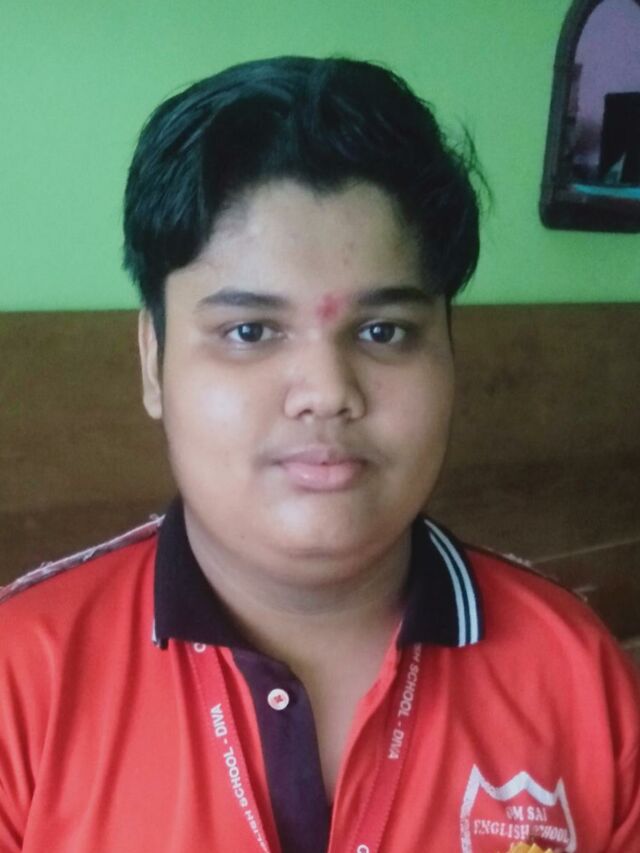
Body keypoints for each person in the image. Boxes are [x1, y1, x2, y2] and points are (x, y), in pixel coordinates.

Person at [0, 56, 638, 853]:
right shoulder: (20, 683)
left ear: (450, 352)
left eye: (384, 331)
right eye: (250, 331)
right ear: (152, 362)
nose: (328, 391)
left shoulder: (576, 674)